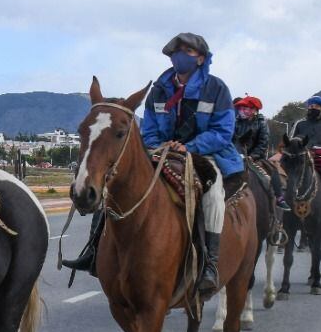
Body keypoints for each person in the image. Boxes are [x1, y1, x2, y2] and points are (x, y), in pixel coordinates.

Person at [63, 32, 239, 298]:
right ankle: (93, 250)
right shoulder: (160, 88)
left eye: (187, 53)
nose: (180, 57)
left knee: (213, 193)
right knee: (114, 186)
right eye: (176, 53)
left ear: (201, 58)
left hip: (205, 153)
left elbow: (223, 131)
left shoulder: (216, 89)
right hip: (162, 151)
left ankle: (211, 264)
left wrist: (189, 147)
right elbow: (151, 126)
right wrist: (159, 145)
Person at [233, 95, 288, 210]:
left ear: (253, 110)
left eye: (245, 108)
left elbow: (263, 143)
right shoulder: (236, 122)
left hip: (256, 158)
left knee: (273, 170)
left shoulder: (262, 123)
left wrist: (252, 156)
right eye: (240, 108)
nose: (241, 111)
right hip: (236, 156)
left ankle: (279, 198)